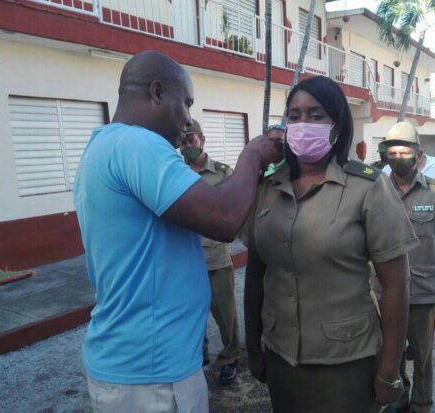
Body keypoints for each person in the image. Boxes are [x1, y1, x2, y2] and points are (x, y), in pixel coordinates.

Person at [74, 50, 281, 413]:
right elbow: (225, 217)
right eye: (185, 103)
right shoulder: (139, 144)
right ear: (156, 92)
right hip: (150, 374)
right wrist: (251, 155)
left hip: (133, 363)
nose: (188, 119)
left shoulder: (102, 145)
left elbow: (204, 203)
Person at [243, 76, 420, 413]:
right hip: (282, 358)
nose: (302, 124)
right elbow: (256, 274)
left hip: (348, 363)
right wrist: (253, 346)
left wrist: (389, 370)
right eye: (293, 116)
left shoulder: (368, 188)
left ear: (337, 126)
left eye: (316, 115)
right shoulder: (267, 187)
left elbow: (396, 285)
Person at [382, 122, 435, 413]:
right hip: (384, 292)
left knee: (424, 355)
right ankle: (400, 396)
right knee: (391, 352)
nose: (397, 157)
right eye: (392, 152)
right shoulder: (375, 191)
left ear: (418, 155)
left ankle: (421, 404)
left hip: (423, 289)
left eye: (404, 151)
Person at [179, 119, 240, 385]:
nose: (187, 147)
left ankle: (230, 357)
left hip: (215, 257)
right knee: (191, 314)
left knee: (225, 314)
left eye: (191, 140)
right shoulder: (175, 172)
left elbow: (235, 209)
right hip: (185, 258)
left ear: (202, 140)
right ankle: (199, 355)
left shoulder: (223, 173)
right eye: (183, 142)